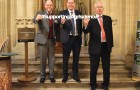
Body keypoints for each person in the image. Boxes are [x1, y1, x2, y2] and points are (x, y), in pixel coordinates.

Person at [83, 1, 113, 90]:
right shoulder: (91, 19)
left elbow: (110, 33)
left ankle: (106, 85)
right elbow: (85, 31)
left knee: (106, 69)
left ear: (103, 9)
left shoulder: (108, 19)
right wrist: (85, 24)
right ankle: (93, 85)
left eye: (101, 7)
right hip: (94, 48)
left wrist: (110, 46)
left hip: (105, 47)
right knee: (93, 68)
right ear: (95, 9)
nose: (99, 9)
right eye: (98, 7)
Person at [33, 0, 58, 83]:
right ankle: (42, 76)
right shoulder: (40, 13)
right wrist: (37, 18)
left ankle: (51, 76)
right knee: (43, 60)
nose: (49, 6)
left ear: (53, 6)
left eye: (51, 5)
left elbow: (56, 27)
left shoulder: (55, 14)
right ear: (45, 6)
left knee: (52, 59)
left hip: (52, 40)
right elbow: (34, 20)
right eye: (48, 5)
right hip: (43, 40)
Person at [59, 0, 82, 83]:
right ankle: (65, 76)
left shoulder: (79, 13)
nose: (71, 4)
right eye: (69, 3)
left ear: (74, 4)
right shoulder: (62, 13)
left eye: (72, 3)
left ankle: (75, 75)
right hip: (67, 39)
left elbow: (80, 25)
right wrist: (61, 22)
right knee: (65, 59)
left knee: (76, 59)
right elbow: (59, 24)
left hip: (77, 39)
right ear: (66, 4)